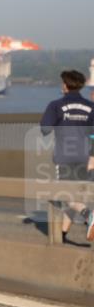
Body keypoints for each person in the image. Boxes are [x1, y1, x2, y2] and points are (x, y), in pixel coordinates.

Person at [40, 69, 94, 242]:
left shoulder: (56, 105)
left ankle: (89, 215)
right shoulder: (91, 107)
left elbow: (45, 129)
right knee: (75, 196)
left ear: (65, 85)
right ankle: (62, 235)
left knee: (65, 195)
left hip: (64, 156)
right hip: (86, 157)